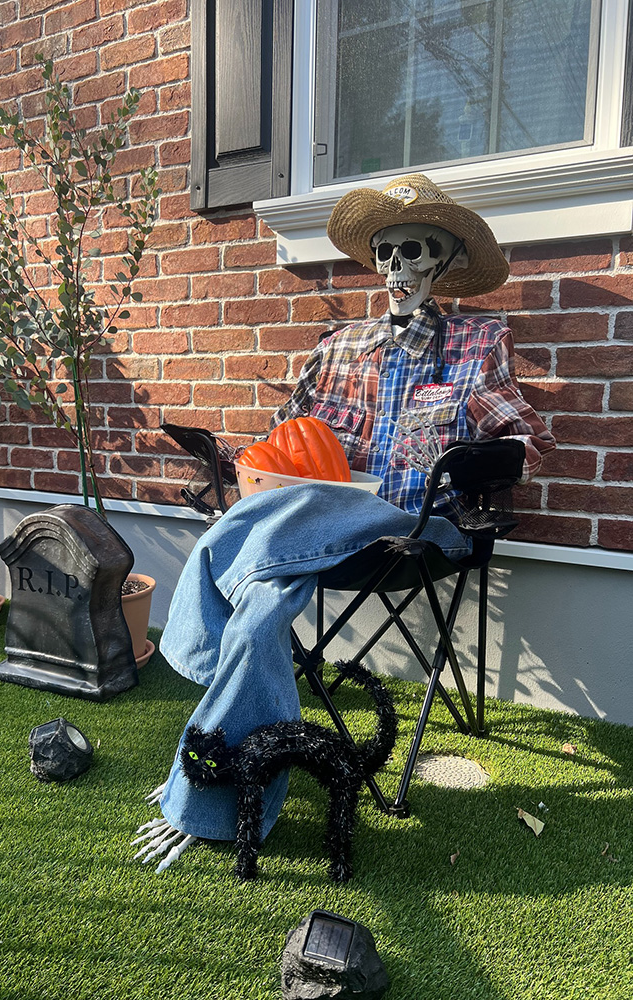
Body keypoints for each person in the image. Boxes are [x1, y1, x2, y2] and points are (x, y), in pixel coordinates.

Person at [133, 174, 555, 871]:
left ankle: (205, 715)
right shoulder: (336, 347)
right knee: (259, 612)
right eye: (386, 251)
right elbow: (283, 441)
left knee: (255, 536)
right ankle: (213, 776)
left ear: (447, 260)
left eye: (416, 250)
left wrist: (479, 460)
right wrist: (233, 459)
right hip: (317, 528)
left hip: (414, 528)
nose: (397, 268)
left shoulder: (478, 344)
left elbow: (526, 440)